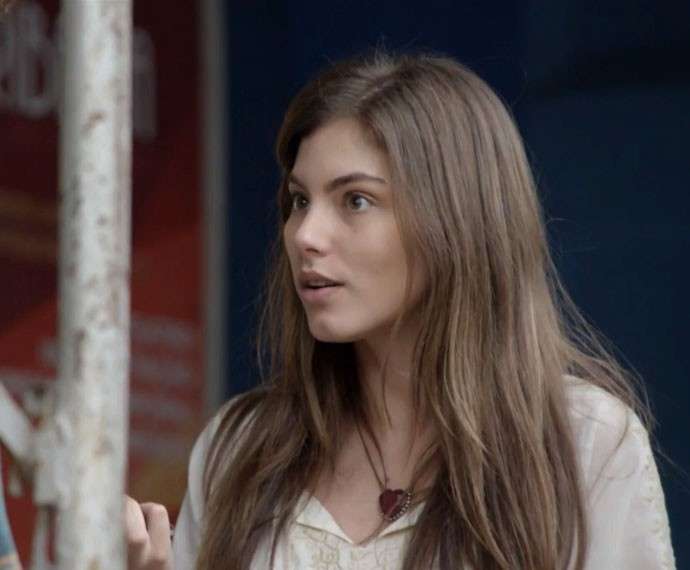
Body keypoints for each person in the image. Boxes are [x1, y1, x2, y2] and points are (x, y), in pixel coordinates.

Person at [126, 50, 676, 570]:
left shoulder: (582, 443)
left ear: (455, 220)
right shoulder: (238, 449)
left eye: (355, 200)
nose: (306, 234)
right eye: (299, 200)